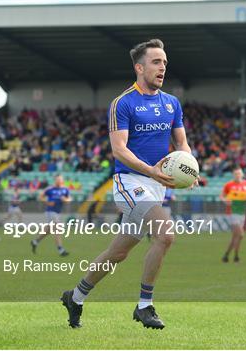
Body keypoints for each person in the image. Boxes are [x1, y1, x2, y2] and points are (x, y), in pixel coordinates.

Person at [60, 39, 195, 330]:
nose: (163, 68)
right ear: (139, 67)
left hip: (156, 185)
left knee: (118, 253)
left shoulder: (171, 103)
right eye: (157, 62)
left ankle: (76, 296)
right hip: (130, 182)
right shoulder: (123, 103)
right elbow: (119, 150)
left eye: (165, 63)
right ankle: (144, 306)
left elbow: (181, 141)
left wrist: (190, 169)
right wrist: (151, 171)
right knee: (166, 235)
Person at [220, 166, 246, 263]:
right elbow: (222, 196)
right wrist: (225, 201)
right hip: (231, 212)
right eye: (236, 174)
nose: (238, 175)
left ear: (242, 174)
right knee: (241, 234)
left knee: (235, 236)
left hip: (241, 212)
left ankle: (229, 256)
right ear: (233, 175)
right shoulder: (229, 185)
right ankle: (235, 256)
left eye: (239, 173)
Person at [30, 175, 71, 256]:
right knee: (57, 228)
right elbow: (41, 197)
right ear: (55, 180)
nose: (59, 181)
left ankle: (35, 242)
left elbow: (69, 199)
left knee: (48, 230)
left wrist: (65, 200)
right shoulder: (50, 189)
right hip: (50, 211)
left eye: (60, 180)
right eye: (58, 180)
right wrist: (48, 202)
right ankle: (61, 250)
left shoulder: (65, 189)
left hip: (58, 212)